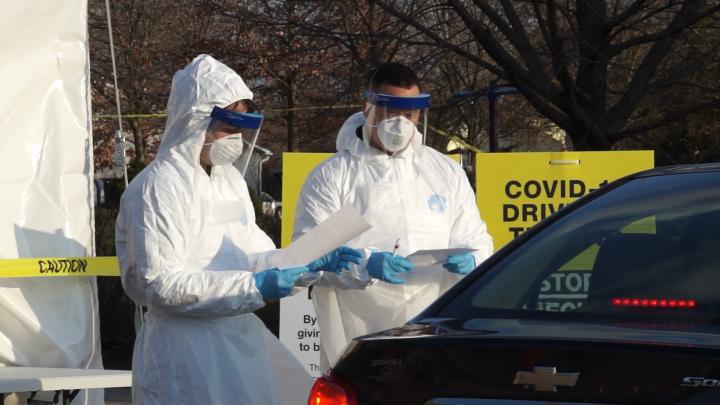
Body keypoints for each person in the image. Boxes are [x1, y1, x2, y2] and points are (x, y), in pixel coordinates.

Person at [115, 54, 362, 405]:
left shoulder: (228, 180)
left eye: (240, 130)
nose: (237, 139)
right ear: (195, 120)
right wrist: (253, 285)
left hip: (237, 338)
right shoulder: (157, 187)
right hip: (184, 352)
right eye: (228, 129)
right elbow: (160, 284)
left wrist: (307, 264)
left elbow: (251, 255)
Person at [293, 62, 494, 370]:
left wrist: (473, 259)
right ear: (366, 106)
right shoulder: (333, 176)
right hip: (360, 331)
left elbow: (476, 239)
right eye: (390, 112)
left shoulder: (444, 172)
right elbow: (309, 257)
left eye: (409, 114)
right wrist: (364, 266)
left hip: (434, 330)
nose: (400, 124)